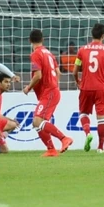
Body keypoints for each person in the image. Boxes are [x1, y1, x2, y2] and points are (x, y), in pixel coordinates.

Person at [23, 29, 73, 157]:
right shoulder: (49, 53)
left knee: (37, 121)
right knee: (39, 123)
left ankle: (64, 139)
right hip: (51, 91)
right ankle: (51, 149)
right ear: (43, 39)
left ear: (29, 40)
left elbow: (38, 75)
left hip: (49, 92)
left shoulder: (35, 54)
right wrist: (54, 85)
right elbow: (58, 72)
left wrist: (28, 87)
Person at [72, 23, 104, 153]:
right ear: (103, 36)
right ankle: (100, 148)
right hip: (101, 87)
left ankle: (88, 133)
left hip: (86, 87)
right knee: (101, 118)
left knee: (83, 113)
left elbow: (74, 71)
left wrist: (77, 81)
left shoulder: (82, 50)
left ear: (92, 35)